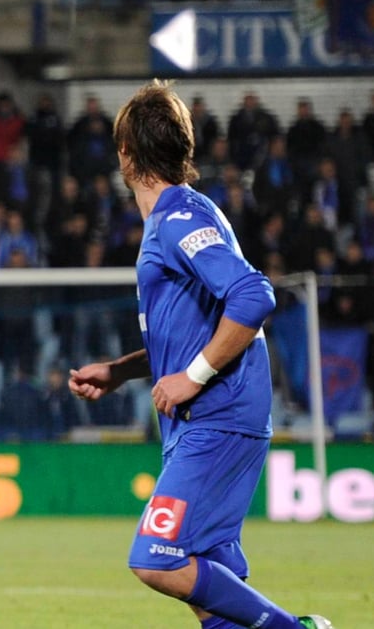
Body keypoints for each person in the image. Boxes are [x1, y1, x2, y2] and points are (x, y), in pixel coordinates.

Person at [67, 80, 333, 629]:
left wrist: (191, 377)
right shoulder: (182, 214)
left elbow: (254, 295)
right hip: (203, 420)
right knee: (206, 586)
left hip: (218, 415)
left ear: (125, 153)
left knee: (156, 557)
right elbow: (195, 327)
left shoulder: (180, 219)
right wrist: (122, 370)